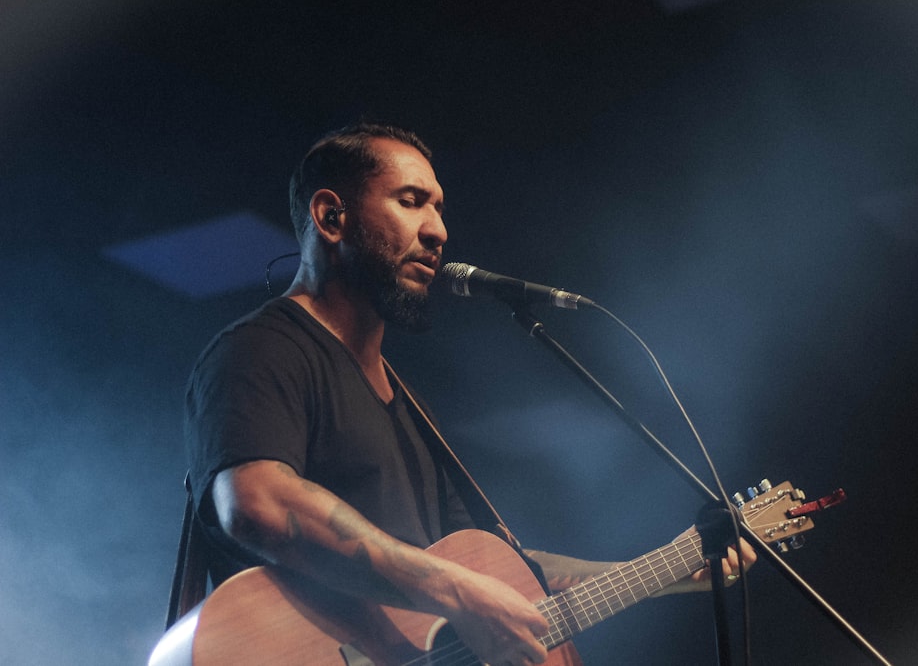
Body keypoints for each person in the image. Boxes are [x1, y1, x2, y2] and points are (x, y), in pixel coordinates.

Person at [184, 122, 755, 665]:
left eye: (437, 207)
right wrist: (455, 592)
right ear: (332, 217)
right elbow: (257, 503)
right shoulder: (262, 349)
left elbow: (506, 576)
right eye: (411, 201)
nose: (437, 230)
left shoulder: (412, 411)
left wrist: (667, 568)